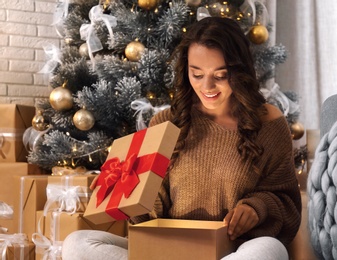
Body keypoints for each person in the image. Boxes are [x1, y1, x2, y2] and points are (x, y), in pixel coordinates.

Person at [62, 16, 301, 260]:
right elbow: (147, 219)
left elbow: (286, 202)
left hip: (231, 251)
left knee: (270, 250)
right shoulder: (166, 123)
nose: (207, 86)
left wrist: (256, 208)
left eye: (220, 75)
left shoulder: (268, 122)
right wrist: (125, 194)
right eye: (197, 74)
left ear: (239, 72)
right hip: (170, 248)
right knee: (77, 243)